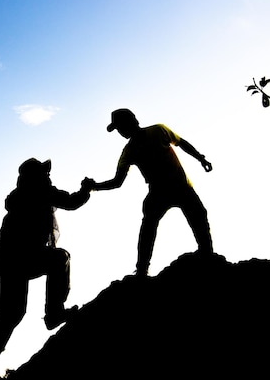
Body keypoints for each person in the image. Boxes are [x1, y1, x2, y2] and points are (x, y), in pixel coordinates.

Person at [0, 157, 94, 380]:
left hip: (8, 258)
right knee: (60, 259)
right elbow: (71, 202)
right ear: (36, 176)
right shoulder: (39, 190)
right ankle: (54, 312)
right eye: (44, 172)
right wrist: (86, 189)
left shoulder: (21, 194)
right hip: (19, 257)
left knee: (10, 313)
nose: (48, 175)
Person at [89, 108, 213, 277]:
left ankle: (207, 255)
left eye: (119, 127)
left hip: (178, 188)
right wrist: (94, 186)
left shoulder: (157, 131)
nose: (119, 132)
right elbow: (117, 182)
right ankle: (142, 270)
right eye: (117, 129)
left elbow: (181, 143)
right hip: (164, 191)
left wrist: (201, 158)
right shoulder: (130, 150)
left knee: (197, 217)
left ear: (131, 121)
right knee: (151, 226)